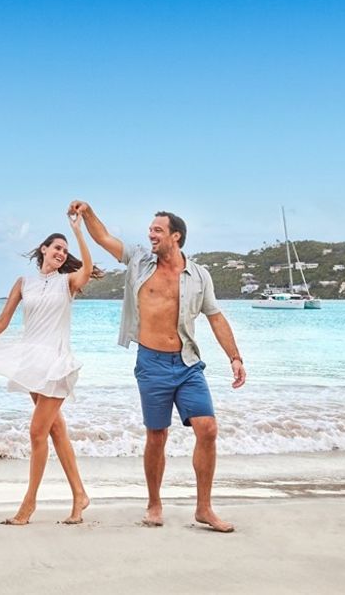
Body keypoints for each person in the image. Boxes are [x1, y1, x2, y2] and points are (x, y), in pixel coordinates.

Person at [69, 200, 246, 532]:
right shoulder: (139, 260)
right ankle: (154, 503)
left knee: (208, 429)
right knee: (157, 435)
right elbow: (104, 238)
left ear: (175, 237)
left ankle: (204, 508)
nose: (150, 235)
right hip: (151, 362)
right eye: (150, 229)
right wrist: (89, 213)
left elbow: (216, 317)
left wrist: (234, 357)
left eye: (157, 230)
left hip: (188, 363)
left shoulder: (199, 276)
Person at [0, 212, 100, 525]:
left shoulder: (67, 283)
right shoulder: (24, 282)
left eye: (65, 251)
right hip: (32, 363)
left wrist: (78, 232)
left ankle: (29, 504)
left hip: (55, 362)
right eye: (57, 247)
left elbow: (88, 270)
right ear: (43, 249)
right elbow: (3, 320)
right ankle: (80, 494)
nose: (61, 253)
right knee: (54, 429)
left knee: (37, 431)